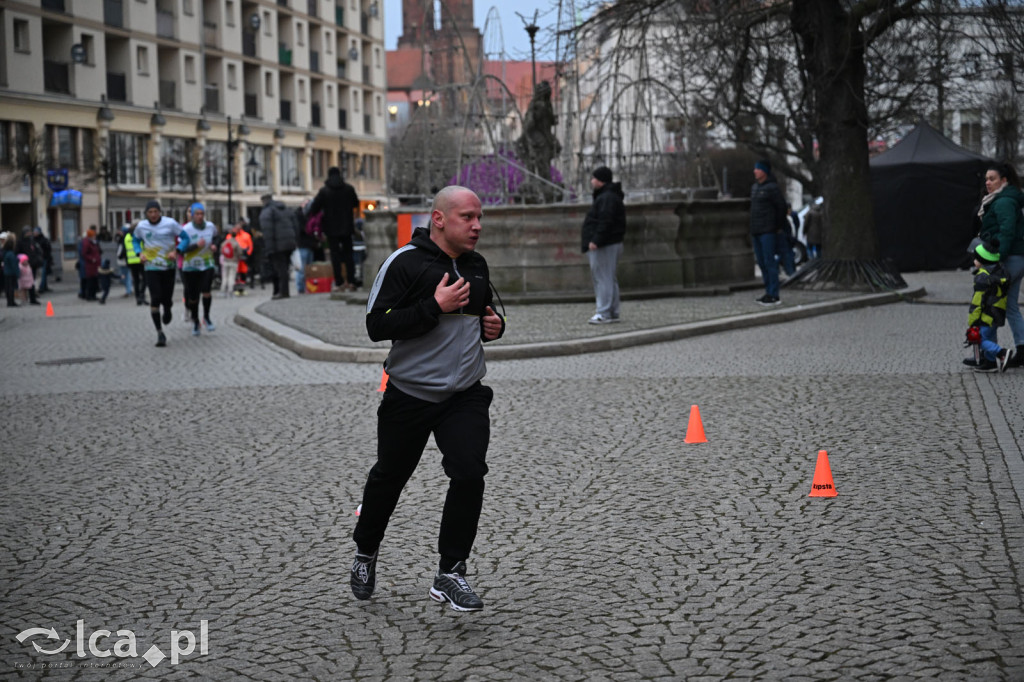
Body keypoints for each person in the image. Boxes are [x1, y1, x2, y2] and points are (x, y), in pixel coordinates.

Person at [351, 185, 505, 612]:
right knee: (390, 477)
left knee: (469, 472)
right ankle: (365, 551)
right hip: (410, 394)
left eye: (479, 218)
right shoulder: (404, 263)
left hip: (465, 395)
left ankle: (450, 572)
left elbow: (485, 316)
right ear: (439, 219)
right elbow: (376, 326)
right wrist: (433, 306)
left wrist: (495, 327)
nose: (476, 226)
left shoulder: (476, 265)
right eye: (467, 218)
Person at [977, 162, 1024, 367]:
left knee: (990, 304)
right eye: (986, 179)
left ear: (1003, 181)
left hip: (1008, 258)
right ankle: (1022, 351)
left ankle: (990, 356)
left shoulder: (1003, 201)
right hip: (1016, 258)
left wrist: (994, 259)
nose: (988, 182)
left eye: (992, 179)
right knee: (1011, 306)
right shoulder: (1005, 198)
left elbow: (1006, 232)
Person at [580, 165, 626, 324]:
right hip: (611, 242)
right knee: (609, 278)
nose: (591, 181)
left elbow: (606, 221)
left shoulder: (606, 197)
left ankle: (604, 312)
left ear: (600, 181)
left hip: (605, 244)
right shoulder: (611, 195)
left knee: (603, 278)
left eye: (594, 178)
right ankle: (612, 311)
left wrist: (596, 240)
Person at [135, 199, 184, 347]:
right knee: (155, 298)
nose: (153, 214)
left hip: (168, 266)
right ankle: (159, 333)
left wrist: (176, 251)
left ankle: (168, 308)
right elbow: (135, 241)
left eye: (156, 211)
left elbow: (185, 238)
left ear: (160, 212)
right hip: (151, 267)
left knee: (167, 298)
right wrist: (139, 253)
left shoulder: (170, 223)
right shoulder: (141, 226)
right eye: (150, 212)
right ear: (146, 213)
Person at [964, 237, 1015, 372]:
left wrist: (973, 321)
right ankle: (990, 363)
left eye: (976, 259)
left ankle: (1002, 352)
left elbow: (978, 300)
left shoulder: (983, 277)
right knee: (990, 337)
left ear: (983, 261)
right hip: (998, 312)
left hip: (986, 313)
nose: (974, 261)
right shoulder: (1000, 271)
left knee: (978, 338)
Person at [307, 166, 359, 290]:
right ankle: (351, 281)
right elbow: (356, 203)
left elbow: (314, 208)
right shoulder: (349, 189)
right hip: (347, 227)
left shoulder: (324, 191)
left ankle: (339, 282)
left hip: (331, 229)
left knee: (335, 256)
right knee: (348, 255)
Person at [750, 159, 788, 306]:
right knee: (762, 263)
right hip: (757, 231)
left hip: (768, 231)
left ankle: (774, 293)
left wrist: (776, 226)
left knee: (769, 262)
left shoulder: (772, 188)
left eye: (757, 169)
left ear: (764, 171)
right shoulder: (755, 188)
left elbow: (781, 208)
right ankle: (768, 291)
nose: (755, 171)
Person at [180, 202, 219, 335]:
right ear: (192, 215)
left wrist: (214, 245)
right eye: (197, 214)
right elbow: (181, 250)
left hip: (207, 264)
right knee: (193, 297)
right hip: (190, 267)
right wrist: (196, 245)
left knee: (207, 291)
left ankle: (206, 318)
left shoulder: (210, 226)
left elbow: (216, 237)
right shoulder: (186, 229)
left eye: (202, 214)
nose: (199, 216)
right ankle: (196, 321)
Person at [259, 193, 299, 299]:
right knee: (284, 268)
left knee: (280, 269)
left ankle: (283, 292)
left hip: (277, 245)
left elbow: (267, 231)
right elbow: (296, 226)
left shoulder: (267, 212)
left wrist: (269, 248)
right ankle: (284, 291)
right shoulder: (285, 209)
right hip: (289, 243)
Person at [294, 200, 321, 294]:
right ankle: (301, 288)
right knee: (302, 269)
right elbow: (301, 230)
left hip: (309, 245)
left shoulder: (310, 216)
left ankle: (308, 287)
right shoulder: (299, 216)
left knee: (309, 269)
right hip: (303, 244)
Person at [123, 221, 147, 305]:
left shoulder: (127, 237)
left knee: (136, 281)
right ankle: (142, 295)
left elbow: (125, 250)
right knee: (145, 279)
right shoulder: (139, 236)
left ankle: (138, 298)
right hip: (141, 260)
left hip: (131, 261)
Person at [18, 226, 43, 305]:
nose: (29, 233)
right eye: (28, 232)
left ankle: (33, 299)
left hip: (33, 264)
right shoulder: (20, 242)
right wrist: (23, 260)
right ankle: (24, 299)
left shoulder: (32, 241)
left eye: (30, 232)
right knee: (23, 282)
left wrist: (37, 259)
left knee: (32, 282)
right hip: (24, 266)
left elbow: (37, 250)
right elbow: (17, 253)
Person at [219, 223, 243, 298]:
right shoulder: (235, 243)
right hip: (233, 262)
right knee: (231, 277)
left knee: (225, 276)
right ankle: (230, 291)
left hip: (226, 261)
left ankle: (223, 290)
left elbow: (221, 250)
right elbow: (240, 252)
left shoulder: (225, 242)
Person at [81, 228, 101, 302]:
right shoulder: (87, 243)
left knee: (94, 280)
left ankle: (93, 295)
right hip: (90, 265)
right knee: (90, 281)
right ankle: (90, 295)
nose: (95, 236)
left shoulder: (93, 242)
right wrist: (92, 259)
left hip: (95, 264)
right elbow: (84, 254)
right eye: (93, 235)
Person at [234, 221, 254, 294]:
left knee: (243, 272)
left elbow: (250, 245)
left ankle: (242, 289)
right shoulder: (232, 235)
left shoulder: (246, 235)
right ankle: (236, 289)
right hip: (234, 257)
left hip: (243, 256)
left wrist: (248, 253)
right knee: (236, 273)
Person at [34, 226, 52, 293]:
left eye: (36, 232)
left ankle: (42, 287)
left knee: (43, 273)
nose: (35, 233)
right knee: (40, 274)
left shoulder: (43, 240)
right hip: (38, 259)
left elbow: (48, 249)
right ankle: (41, 286)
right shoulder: (34, 240)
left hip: (43, 258)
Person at [2, 233, 18, 307]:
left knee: (8, 287)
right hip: (10, 272)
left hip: (6, 272)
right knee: (11, 288)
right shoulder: (10, 253)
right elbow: (13, 264)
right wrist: (17, 272)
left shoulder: (5, 252)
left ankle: (10, 301)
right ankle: (11, 302)